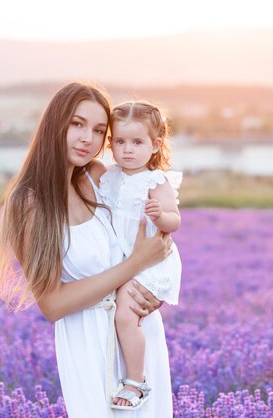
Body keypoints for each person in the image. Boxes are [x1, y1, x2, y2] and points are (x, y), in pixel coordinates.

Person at [0, 82, 174, 418]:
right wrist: (135, 264)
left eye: (99, 130)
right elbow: (52, 304)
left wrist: (153, 286)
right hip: (87, 339)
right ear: (55, 125)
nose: (87, 138)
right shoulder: (29, 202)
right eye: (77, 124)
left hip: (138, 332)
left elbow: (155, 235)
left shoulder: (99, 177)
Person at [99, 101, 182, 410]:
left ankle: (137, 381)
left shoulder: (155, 181)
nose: (128, 150)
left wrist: (160, 215)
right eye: (119, 142)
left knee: (125, 314)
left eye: (137, 142)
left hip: (152, 262)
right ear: (110, 144)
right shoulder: (110, 176)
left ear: (155, 144)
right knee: (119, 313)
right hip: (128, 261)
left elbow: (175, 221)